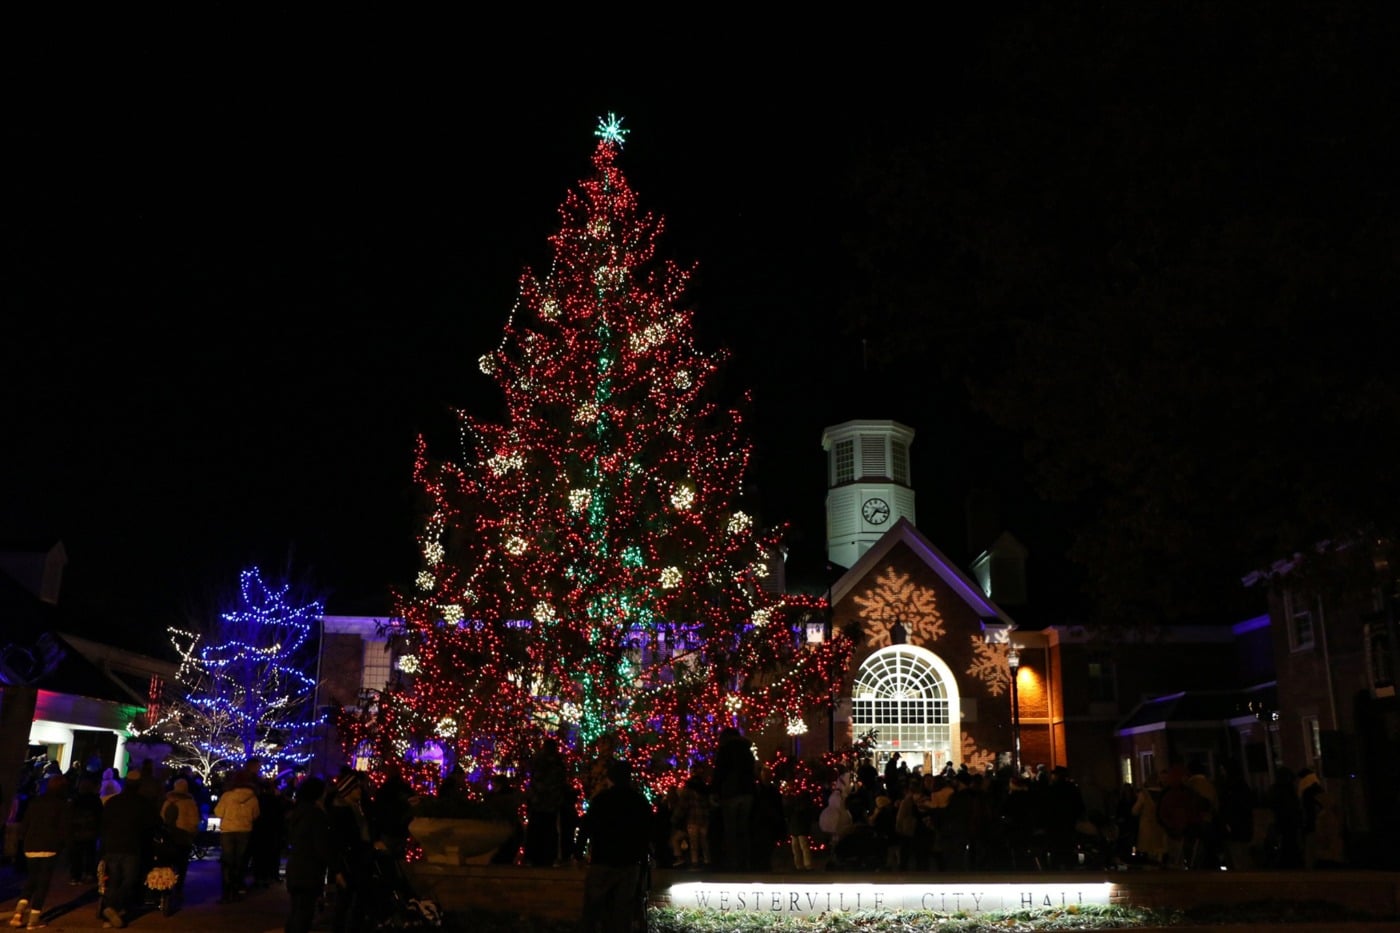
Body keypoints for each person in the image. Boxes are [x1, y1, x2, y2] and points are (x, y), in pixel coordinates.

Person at [578, 759, 652, 933]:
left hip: (602, 859)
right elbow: (647, 830)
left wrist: (578, 851)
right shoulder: (639, 801)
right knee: (622, 910)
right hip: (629, 861)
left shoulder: (601, 800)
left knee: (593, 907)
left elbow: (587, 827)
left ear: (610, 779)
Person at [10, 772, 71, 929]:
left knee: (31, 879)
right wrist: (63, 845)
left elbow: (25, 823)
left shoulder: (35, 802)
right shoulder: (62, 805)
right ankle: (34, 919)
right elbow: (64, 829)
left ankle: (18, 913)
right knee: (43, 883)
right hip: (49, 846)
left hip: (31, 845)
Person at [99, 773, 158, 929]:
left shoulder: (113, 802)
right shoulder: (143, 804)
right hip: (132, 847)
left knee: (113, 880)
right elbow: (151, 826)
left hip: (112, 846)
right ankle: (114, 908)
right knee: (129, 880)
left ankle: (110, 909)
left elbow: (104, 823)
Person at [284, 777, 332, 933]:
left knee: (296, 910)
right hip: (309, 869)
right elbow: (320, 844)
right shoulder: (316, 815)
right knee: (304, 913)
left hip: (296, 867)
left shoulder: (299, 812)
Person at [711, 726, 756, 871]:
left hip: (731, 792)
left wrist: (715, 791)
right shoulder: (747, 750)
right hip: (747, 792)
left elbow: (719, 772)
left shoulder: (725, 750)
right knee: (743, 827)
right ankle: (745, 862)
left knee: (730, 828)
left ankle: (733, 862)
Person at [213, 770, 261, 902]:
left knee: (227, 860)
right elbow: (256, 814)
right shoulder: (252, 797)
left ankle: (226, 890)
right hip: (244, 830)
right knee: (240, 860)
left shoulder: (227, 796)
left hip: (228, 830)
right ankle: (237, 887)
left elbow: (218, 812)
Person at [525, 737, 569, 866]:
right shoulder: (556, 764)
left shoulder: (542, 763)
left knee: (540, 831)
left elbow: (536, 781)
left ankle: (536, 857)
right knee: (547, 831)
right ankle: (545, 857)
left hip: (542, 804)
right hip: (548, 805)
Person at [160, 778, 201, 891]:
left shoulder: (168, 801)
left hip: (169, 835)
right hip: (184, 836)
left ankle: (167, 886)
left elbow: (163, 816)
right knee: (182, 864)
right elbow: (194, 821)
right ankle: (179, 888)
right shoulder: (189, 802)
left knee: (169, 862)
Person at [68, 775, 103, 885]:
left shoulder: (76, 799)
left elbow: (70, 814)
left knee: (76, 855)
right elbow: (100, 815)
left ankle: (75, 876)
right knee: (90, 854)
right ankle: (89, 873)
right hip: (91, 830)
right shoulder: (95, 799)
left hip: (77, 830)